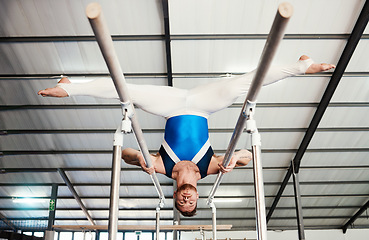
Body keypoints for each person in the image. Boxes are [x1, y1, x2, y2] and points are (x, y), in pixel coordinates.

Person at [38, 55, 335, 216]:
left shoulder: (163, 168)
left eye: (183, 204)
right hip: (205, 106)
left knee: (127, 92)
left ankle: (71, 85)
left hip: (168, 107)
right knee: (239, 86)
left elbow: (126, 153)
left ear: (177, 197)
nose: (188, 201)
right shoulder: (208, 168)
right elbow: (248, 155)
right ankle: (302, 65)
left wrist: (138, 159)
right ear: (196, 196)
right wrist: (235, 161)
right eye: (191, 203)